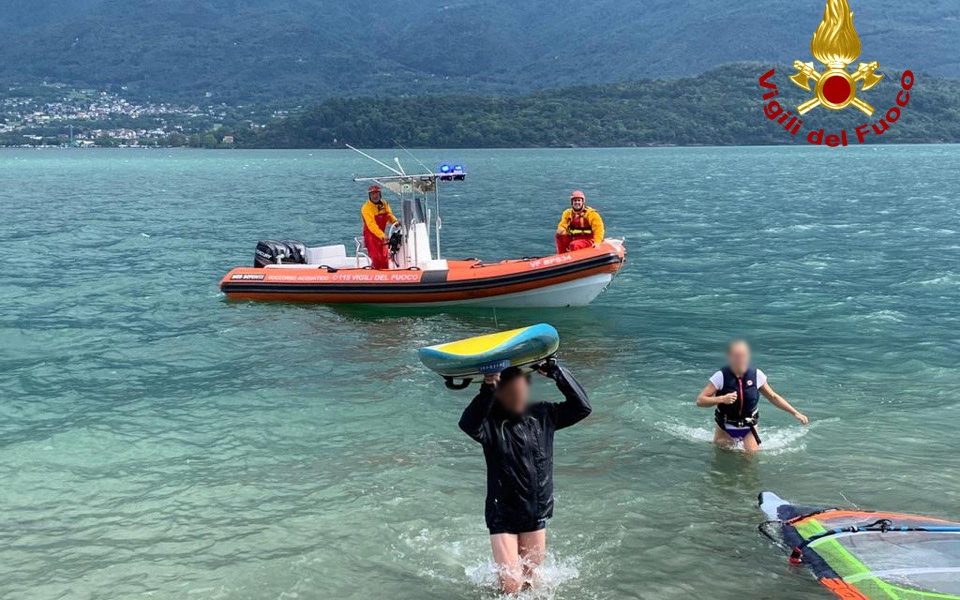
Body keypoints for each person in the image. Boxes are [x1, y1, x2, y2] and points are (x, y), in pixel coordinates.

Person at [458, 360, 591, 594]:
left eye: (523, 389)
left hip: (536, 509)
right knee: (511, 584)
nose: (519, 395)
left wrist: (555, 372)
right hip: (503, 513)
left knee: (532, 583)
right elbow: (467, 423)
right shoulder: (489, 424)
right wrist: (488, 385)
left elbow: (582, 407)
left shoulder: (543, 414)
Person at [696, 340, 809, 452]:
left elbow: (773, 397)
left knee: (750, 459)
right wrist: (721, 399)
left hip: (749, 426)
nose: (741, 359)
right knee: (722, 458)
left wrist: (795, 413)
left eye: (743, 355)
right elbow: (700, 401)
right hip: (725, 426)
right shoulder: (720, 376)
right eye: (737, 356)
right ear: (729, 357)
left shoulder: (756, 375)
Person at [360, 184, 399, 270]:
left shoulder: (384, 204)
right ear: (369, 195)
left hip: (381, 235)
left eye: (377, 193)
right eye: (372, 194)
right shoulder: (366, 208)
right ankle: (377, 276)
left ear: (380, 194)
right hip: (371, 236)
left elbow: (389, 215)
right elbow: (371, 225)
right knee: (376, 257)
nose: (375, 196)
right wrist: (382, 235)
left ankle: (386, 275)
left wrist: (395, 222)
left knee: (384, 257)